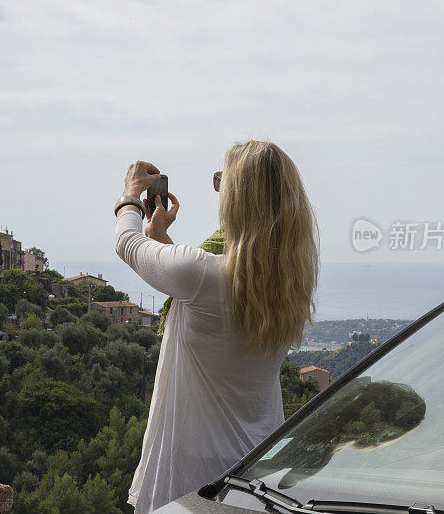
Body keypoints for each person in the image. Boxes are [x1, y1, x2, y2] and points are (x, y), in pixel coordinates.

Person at [113, 140, 320, 513]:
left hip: (195, 481)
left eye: (222, 183)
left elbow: (126, 243)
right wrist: (162, 240)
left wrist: (129, 194)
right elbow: (217, 295)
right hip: (257, 475)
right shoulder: (291, 283)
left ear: (239, 199)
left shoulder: (200, 274)